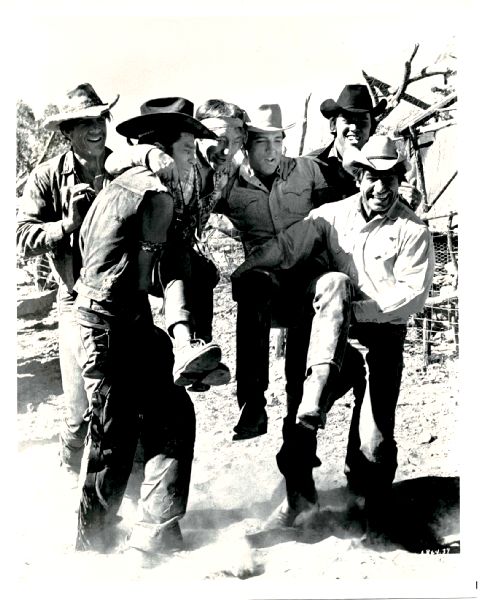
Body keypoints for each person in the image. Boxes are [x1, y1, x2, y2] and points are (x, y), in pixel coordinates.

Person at [231, 135, 435, 544]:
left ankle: (369, 509)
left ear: (400, 180)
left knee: (374, 440)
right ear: (359, 176)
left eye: (390, 179)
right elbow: (286, 248)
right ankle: (297, 498)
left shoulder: (413, 230)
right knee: (301, 415)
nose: (381, 188)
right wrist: (244, 272)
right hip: (329, 335)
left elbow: (412, 294)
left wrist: (348, 314)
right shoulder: (330, 216)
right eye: (373, 177)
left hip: (381, 339)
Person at [73, 98, 218, 564]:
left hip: (110, 320)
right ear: (165, 148)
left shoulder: (120, 181)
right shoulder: (156, 195)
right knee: (111, 437)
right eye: (189, 147)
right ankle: (94, 546)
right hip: (113, 324)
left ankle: (153, 531)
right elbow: (142, 280)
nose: (194, 158)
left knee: (169, 412)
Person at [104, 98, 249, 391]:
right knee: (181, 255)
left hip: (172, 260)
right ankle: (184, 344)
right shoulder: (172, 160)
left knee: (205, 271)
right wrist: (148, 154)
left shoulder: (223, 171)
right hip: (133, 260)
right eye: (219, 140)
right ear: (199, 137)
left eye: (234, 142)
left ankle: (199, 357)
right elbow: (112, 162)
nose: (225, 150)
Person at [16, 83, 119, 486]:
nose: (95, 129)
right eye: (83, 123)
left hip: (123, 298)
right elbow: (22, 235)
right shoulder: (46, 177)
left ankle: (116, 490)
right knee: (78, 407)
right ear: (67, 132)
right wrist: (67, 226)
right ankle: (68, 469)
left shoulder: (122, 168)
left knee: (121, 401)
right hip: (75, 299)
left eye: (99, 120)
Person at [218, 104, 330, 440]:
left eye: (277, 141)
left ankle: (298, 431)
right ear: (247, 147)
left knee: (299, 371)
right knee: (252, 283)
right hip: (266, 285)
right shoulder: (230, 186)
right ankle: (252, 406)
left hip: (309, 279)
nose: (272, 150)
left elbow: (340, 209)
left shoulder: (309, 171)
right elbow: (198, 207)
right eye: (262, 143)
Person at [308, 83, 421, 209]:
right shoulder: (310, 166)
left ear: (371, 127)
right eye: (348, 120)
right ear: (333, 125)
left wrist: (410, 204)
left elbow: (398, 208)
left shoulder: (387, 165)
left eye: (362, 122)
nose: (355, 128)